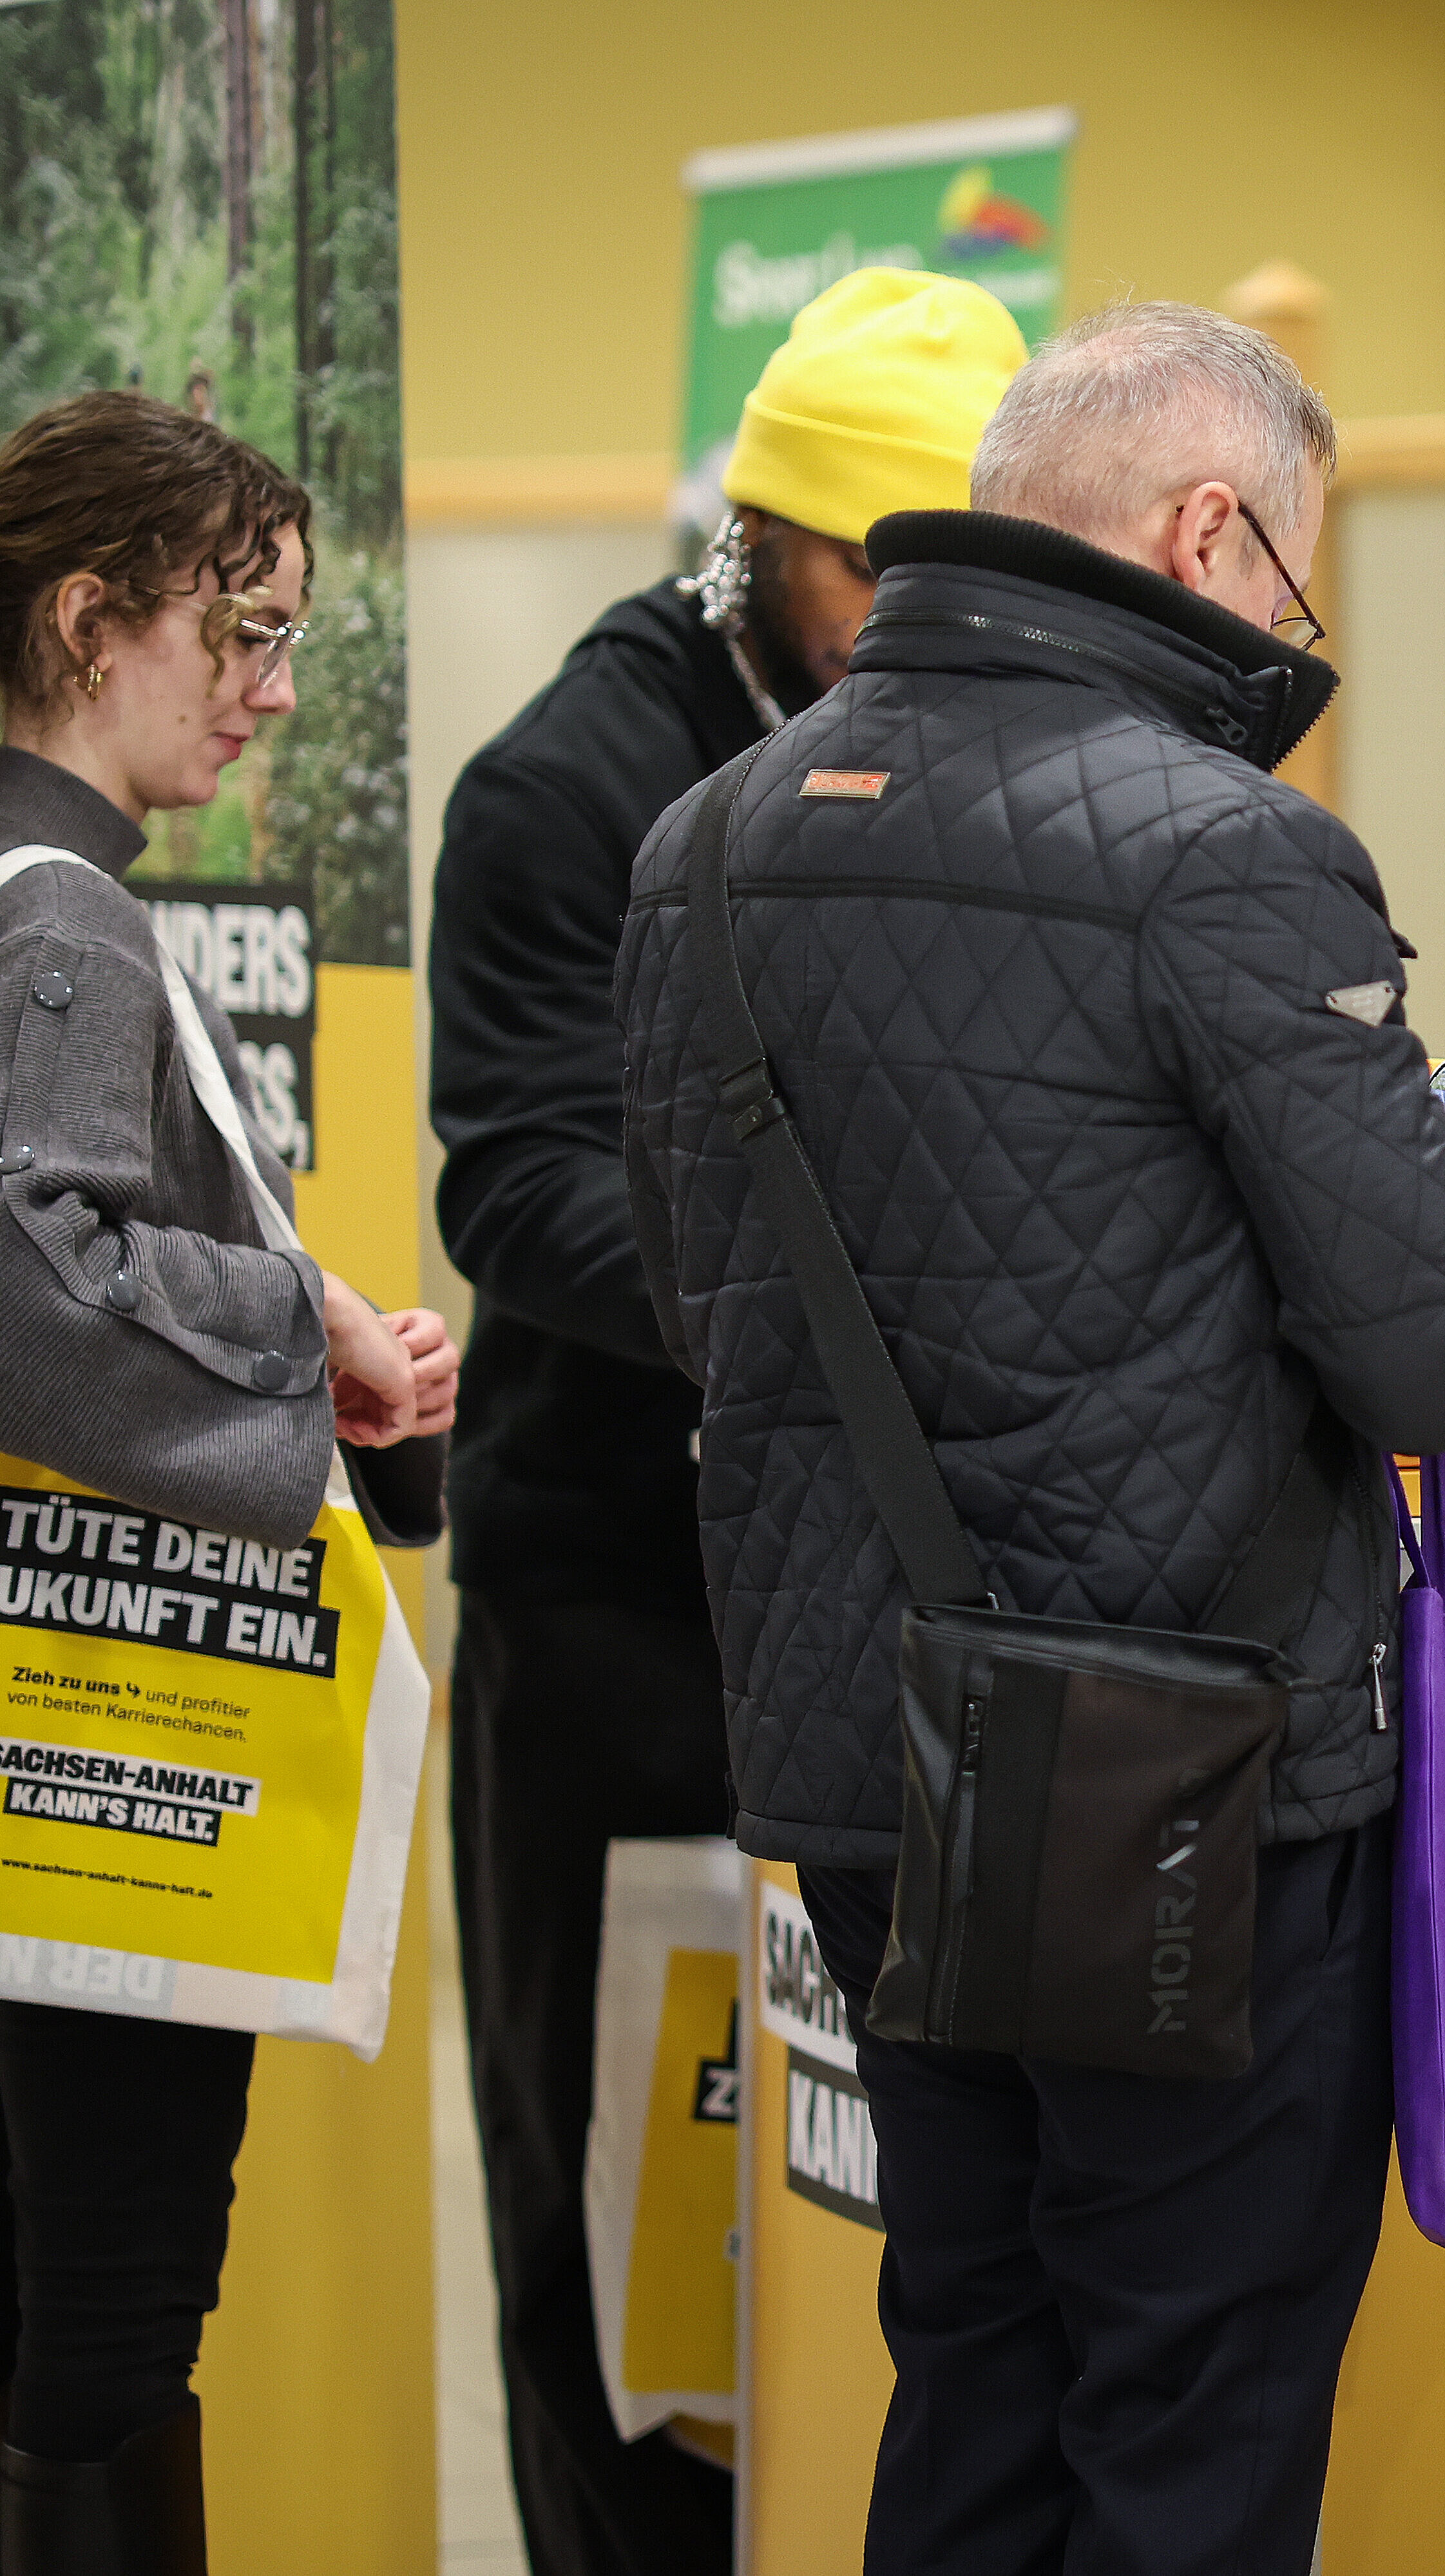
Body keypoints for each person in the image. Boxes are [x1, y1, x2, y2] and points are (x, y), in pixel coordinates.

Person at [617, 300, 1445, 2570]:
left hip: (867, 1759)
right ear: (1206, 532)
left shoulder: (704, 847)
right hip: (1184, 1777)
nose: (1294, 629)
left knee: (977, 2365)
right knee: (1192, 2412)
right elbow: (1428, 1358)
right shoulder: (1234, 855)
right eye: (1293, 574)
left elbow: (692, 1296)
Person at [426, 267, 1026, 2573]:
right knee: (614, 2222)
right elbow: (518, 1183)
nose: (913, 627)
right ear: (762, 538)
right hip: (620, 1614)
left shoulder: (966, 755)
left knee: (867, 2210)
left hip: (886, 1617)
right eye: (877, 571)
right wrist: (835, 1318)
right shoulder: (568, 789)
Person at [0, 386, 454, 2566]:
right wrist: (309, 1323)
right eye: (243, 631)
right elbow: (41, 1291)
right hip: (99, 1760)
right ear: (90, 621)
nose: (272, 689)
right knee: (105, 2309)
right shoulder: (62, 917)